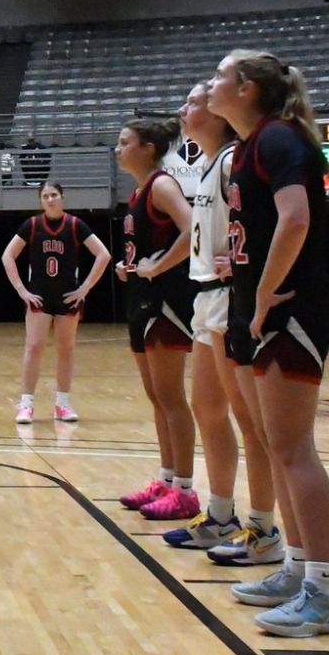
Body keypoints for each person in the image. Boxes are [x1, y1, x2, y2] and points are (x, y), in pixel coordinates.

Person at [207, 50, 329, 636]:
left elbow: (295, 219)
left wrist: (264, 293)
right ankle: (295, 570)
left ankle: (325, 594)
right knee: (274, 442)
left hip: (291, 310)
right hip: (259, 310)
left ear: (244, 87)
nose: (211, 84)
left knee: (294, 449)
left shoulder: (280, 140)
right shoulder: (248, 147)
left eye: (219, 75)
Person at [163, 85, 284, 564]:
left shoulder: (237, 157)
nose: (185, 109)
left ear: (217, 117)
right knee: (207, 409)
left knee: (252, 423)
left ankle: (264, 527)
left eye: (193, 103)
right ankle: (219, 515)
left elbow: (273, 216)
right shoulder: (213, 164)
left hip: (229, 296)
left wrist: (246, 265)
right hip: (205, 296)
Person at [113, 117, 200, 523]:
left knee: (171, 397)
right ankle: (166, 480)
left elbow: (194, 228)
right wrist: (131, 266)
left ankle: (184, 489)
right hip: (142, 298)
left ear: (147, 147)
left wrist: (161, 264)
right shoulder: (138, 191)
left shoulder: (162, 186)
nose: (117, 148)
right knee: (156, 397)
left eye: (124, 142)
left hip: (167, 302)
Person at [0, 181, 110, 425]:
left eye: (54, 195)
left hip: (68, 297)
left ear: (62, 197)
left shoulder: (74, 225)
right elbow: (7, 256)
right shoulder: (32, 225)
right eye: (46, 196)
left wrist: (85, 288)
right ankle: (26, 404)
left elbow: (104, 255)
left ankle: (62, 404)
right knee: (34, 347)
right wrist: (22, 290)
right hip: (39, 296)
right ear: (40, 200)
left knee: (66, 349)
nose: (50, 199)